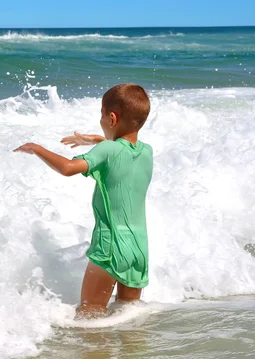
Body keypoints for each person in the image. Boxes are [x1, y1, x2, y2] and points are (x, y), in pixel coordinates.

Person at [14, 83, 153, 317]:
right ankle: (133, 354)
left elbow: (68, 168)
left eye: (101, 115)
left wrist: (37, 148)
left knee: (90, 316)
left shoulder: (108, 149)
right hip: (139, 248)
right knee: (129, 317)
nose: (100, 120)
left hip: (110, 246)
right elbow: (121, 151)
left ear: (111, 118)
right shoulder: (146, 151)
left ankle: (96, 354)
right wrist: (97, 140)